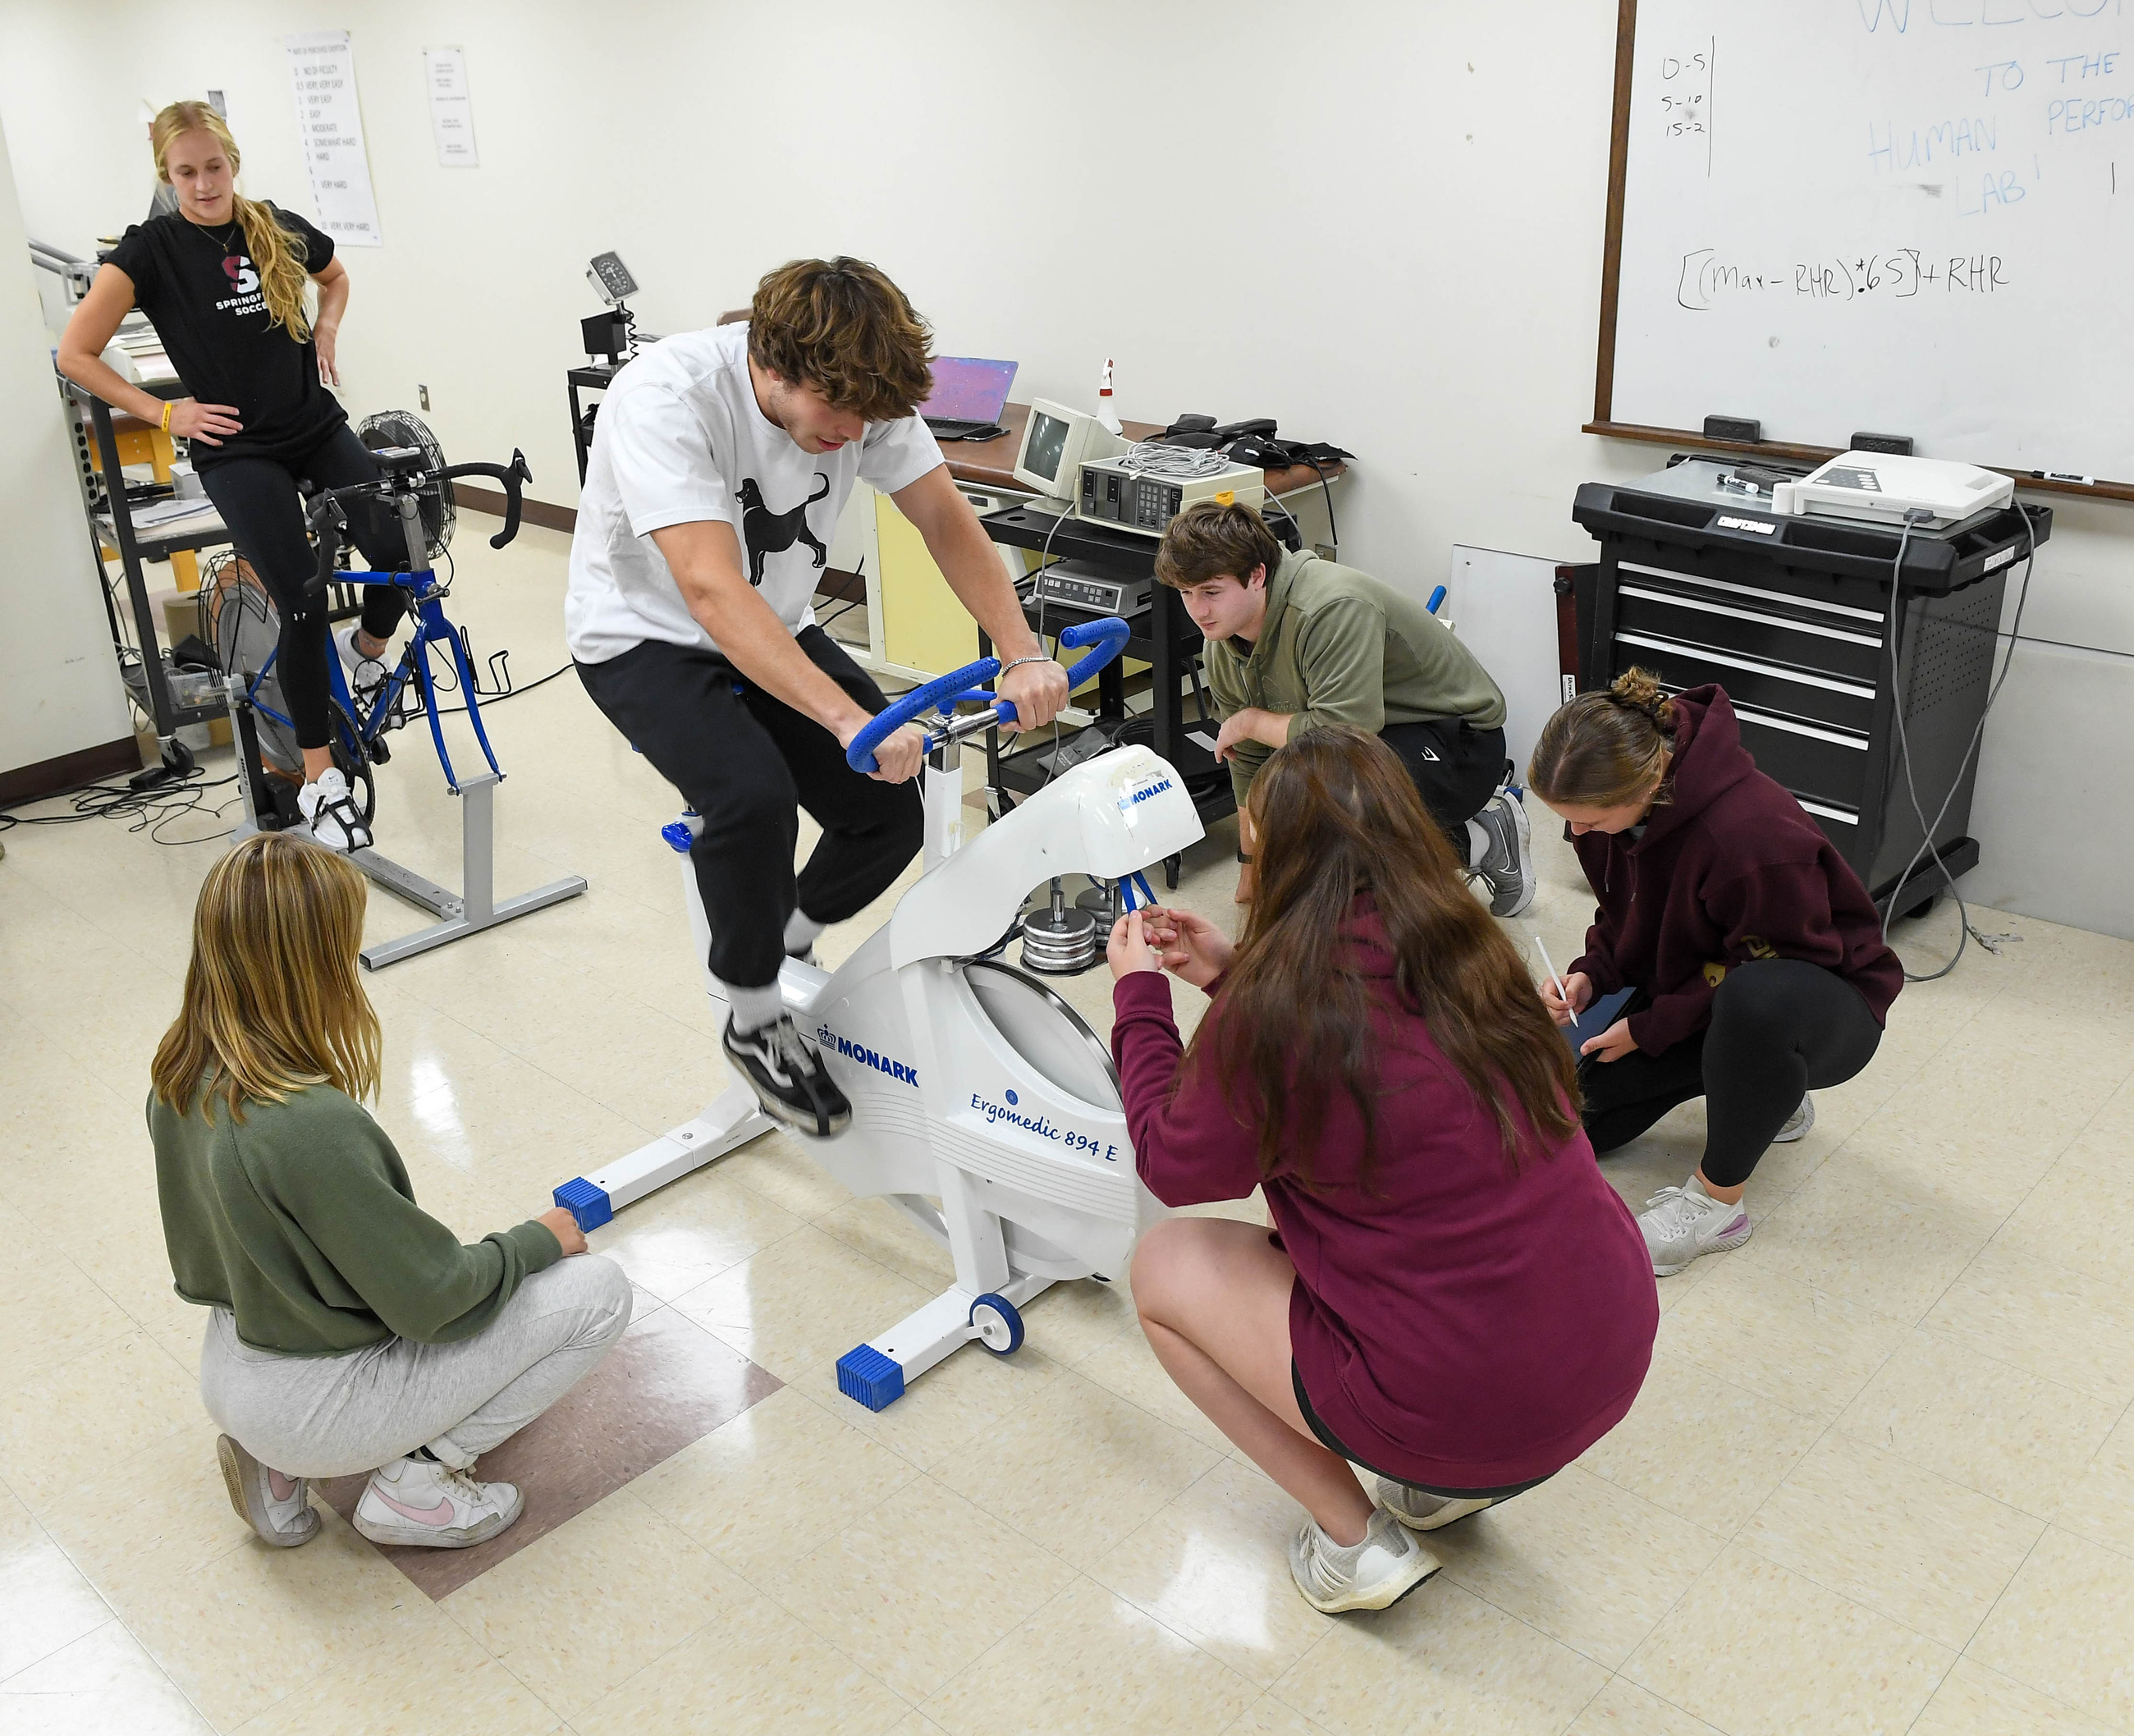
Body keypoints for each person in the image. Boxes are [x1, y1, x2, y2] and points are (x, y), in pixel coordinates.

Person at [1109, 726, 1657, 1614]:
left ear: (1279, 857)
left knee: (1165, 1268)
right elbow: (1373, 1049)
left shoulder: (1271, 1018)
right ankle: (1448, 1487)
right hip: (1605, 1346)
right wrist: (1230, 975)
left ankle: (1355, 1546)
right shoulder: (1476, 951)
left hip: (1457, 1396)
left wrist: (1139, 1000)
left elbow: (1174, 1165)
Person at [567, 257, 1069, 1138]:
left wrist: (1018, 649)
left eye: (869, 423)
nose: (856, 436)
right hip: (645, 634)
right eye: (839, 421)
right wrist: (847, 718)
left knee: (887, 810)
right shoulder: (665, 397)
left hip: (775, 619)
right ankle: (754, 1014)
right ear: (773, 367)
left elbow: (946, 520)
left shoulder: (861, 398)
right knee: (750, 799)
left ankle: (788, 941)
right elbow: (712, 592)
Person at [149, 833, 631, 1550]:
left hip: (233, 1364)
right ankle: (419, 1485)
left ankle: (276, 1471)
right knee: (598, 1291)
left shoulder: (181, 1070)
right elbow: (434, 1301)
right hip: (313, 1404)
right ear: (310, 963)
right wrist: (538, 1238)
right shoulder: (306, 1123)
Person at [57, 101, 405, 850]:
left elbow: (336, 276)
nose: (204, 183)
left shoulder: (271, 224)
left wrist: (328, 329)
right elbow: (75, 355)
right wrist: (164, 415)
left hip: (314, 426)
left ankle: (368, 657)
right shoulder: (150, 251)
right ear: (167, 175)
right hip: (237, 448)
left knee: (400, 557)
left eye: (214, 166)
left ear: (233, 162)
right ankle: (321, 781)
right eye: (186, 172)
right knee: (304, 603)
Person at [1525, 671, 1905, 1276]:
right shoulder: (1612, 813)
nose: (1576, 833)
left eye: (1588, 820)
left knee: (1756, 1005)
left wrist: (1652, 1027)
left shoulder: (1748, 833)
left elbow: (1775, 963)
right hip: (1711, 981)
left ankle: (1718, 1201)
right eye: (1567, 820)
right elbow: (1625, 911)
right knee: (1584, 1114)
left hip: (1820, 998)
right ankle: (1768, 1093)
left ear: (1649, 781)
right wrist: (1591, 974)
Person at [1154, 500, 1533, 915]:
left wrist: (1251, 720)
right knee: (1291, 800)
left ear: (1257, 576)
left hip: (1458, 742)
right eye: (1186, 594)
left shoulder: (1330, 607)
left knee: (1334, 816)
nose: (1198, 610)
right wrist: (1251, 872)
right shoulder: (1221, 645)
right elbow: (1247, 763)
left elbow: (1347, 733)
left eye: (1211, 592)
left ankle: (1482, 841)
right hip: (1372, 735)